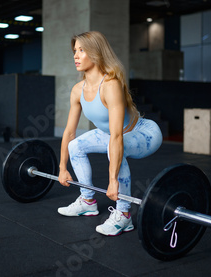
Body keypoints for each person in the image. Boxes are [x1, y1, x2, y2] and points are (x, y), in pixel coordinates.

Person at [57, 31, 163, 236]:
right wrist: (62, 167)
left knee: (114, 148)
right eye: (75, 51)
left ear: (96, 53)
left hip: (144, 133)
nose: (75, 56)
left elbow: (116, 138)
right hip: (111, 135)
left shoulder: (111, 85)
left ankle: (124, 215)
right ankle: (88, 201)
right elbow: (69, 132)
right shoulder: (77, 90)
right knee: (75, 146)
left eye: (82, 50)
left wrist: (113, 180)